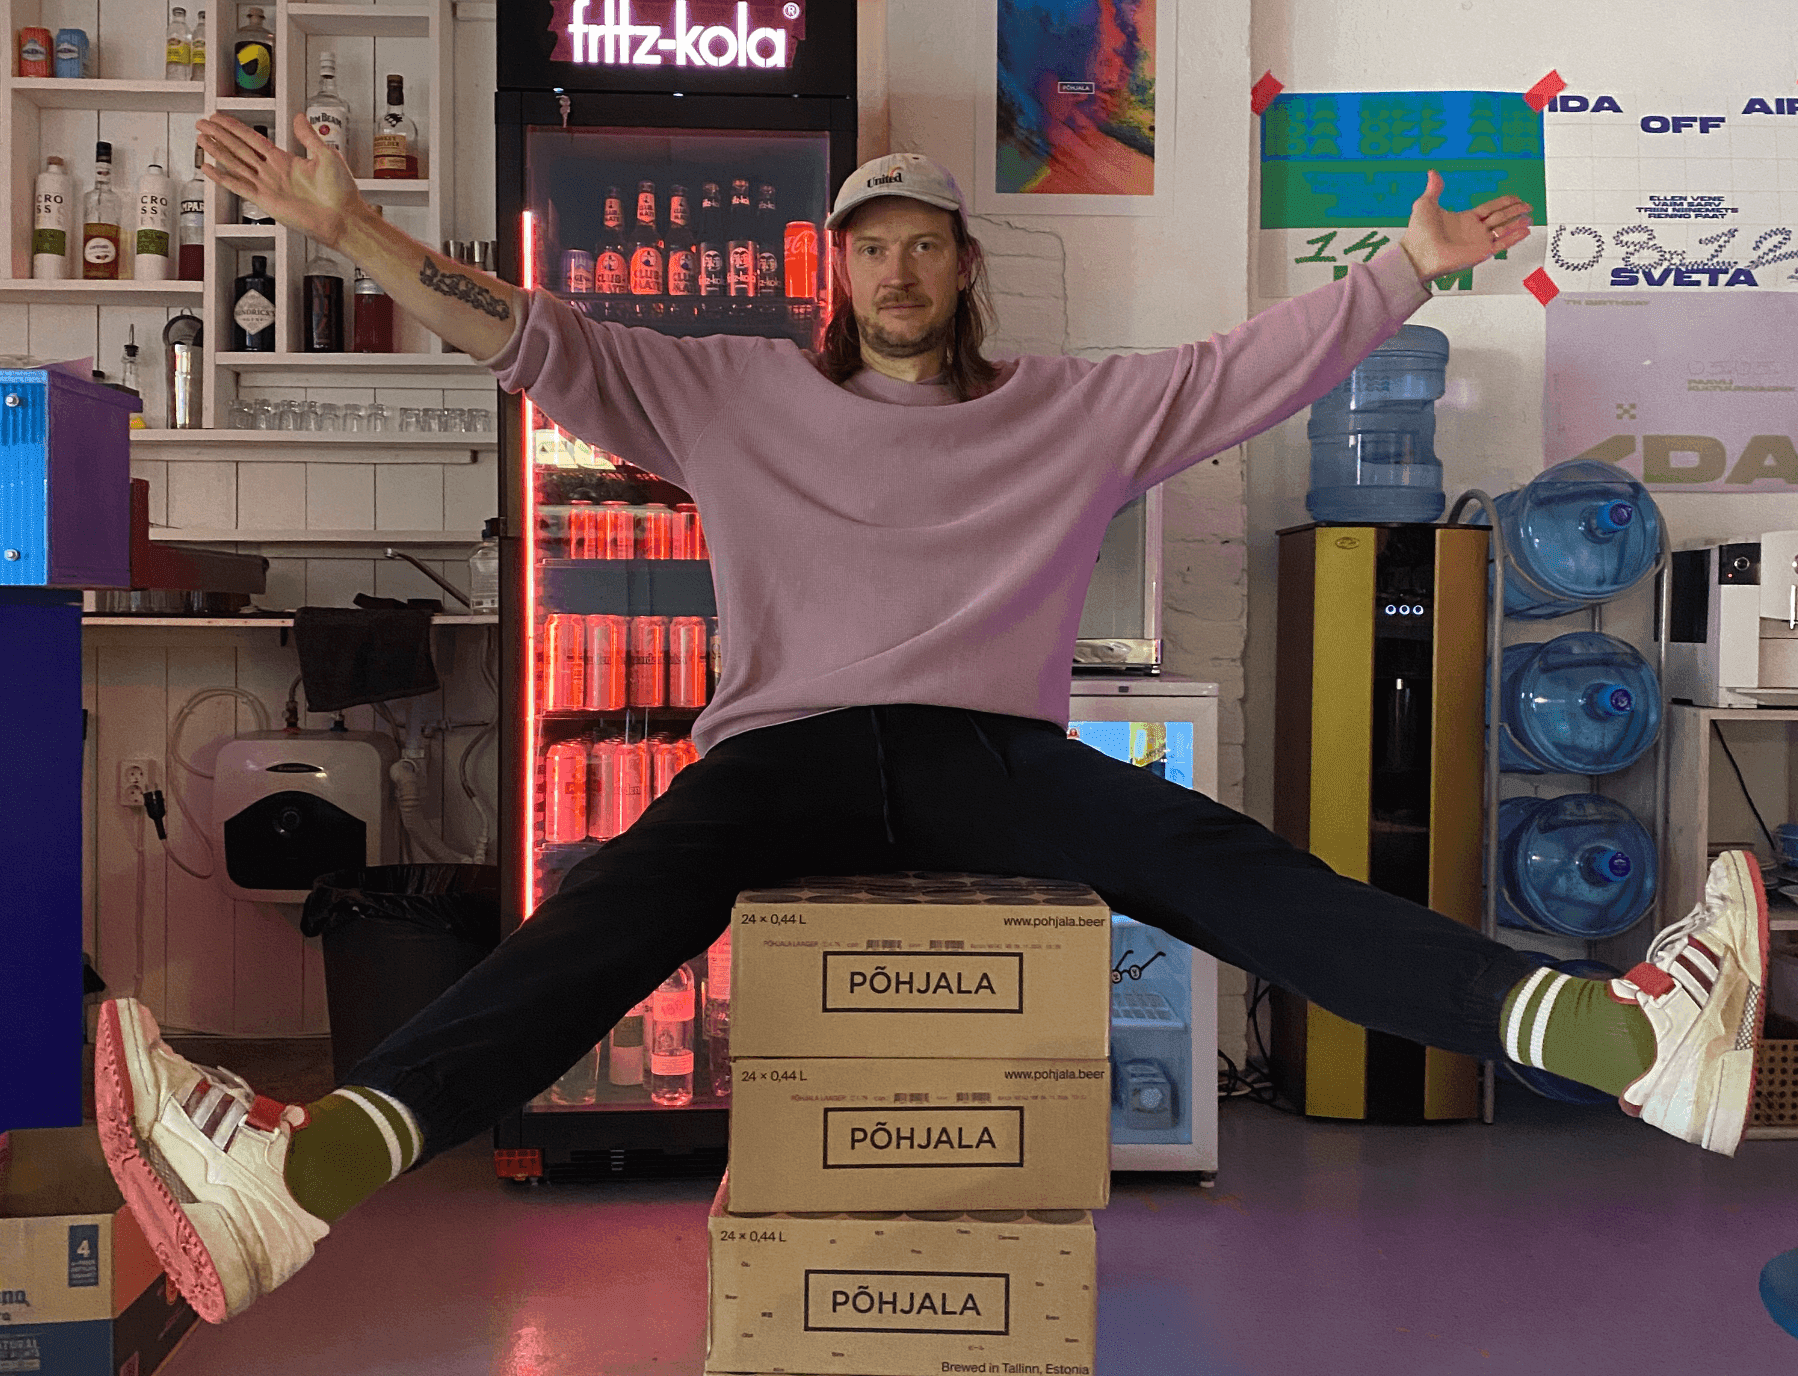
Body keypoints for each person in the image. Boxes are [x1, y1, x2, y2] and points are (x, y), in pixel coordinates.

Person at [93, 113, 1767, 1327]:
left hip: (990, 756)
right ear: (835, 268)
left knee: (1230, 871)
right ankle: (300, 1185)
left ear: (964, 267)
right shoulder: (731, 390)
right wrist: (352, 234)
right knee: (602, 917)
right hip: (783, 755)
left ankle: (1617, 1044)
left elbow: (1244, 368)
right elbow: (524, 334)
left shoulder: (1069, 410)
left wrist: (1405, 267)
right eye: (868, 244)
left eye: (921, 243)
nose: (895, 269)